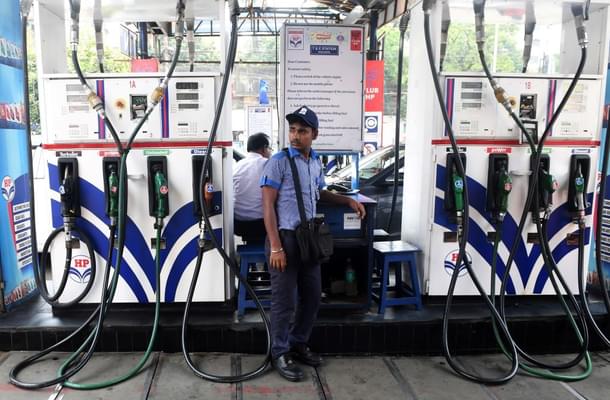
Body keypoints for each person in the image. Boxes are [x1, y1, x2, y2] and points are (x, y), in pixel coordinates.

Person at [260, 106, 366, 381]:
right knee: (284, 302)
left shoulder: (315, 162)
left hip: (309, 241)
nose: (295, 136)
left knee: (312, 297)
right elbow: (267, 205)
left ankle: (298, 343)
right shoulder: (279, 162)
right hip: (285, 240)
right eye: (292, 130)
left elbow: (319, 192)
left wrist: (347, 201)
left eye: (302, 131)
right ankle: (279, 352)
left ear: (314, 134)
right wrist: (275, 246)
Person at [233, 132, 272, 242]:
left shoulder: (237, 166)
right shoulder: (268, 164)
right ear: (264, 148)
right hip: (261, 225)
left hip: (239, 225)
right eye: (270, 149)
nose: (270, 152)